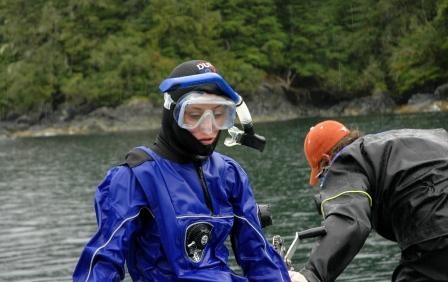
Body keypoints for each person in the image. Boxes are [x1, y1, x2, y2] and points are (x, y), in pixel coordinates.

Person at [73, 60, 291, 281]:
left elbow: (258, 256)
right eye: (195, 115)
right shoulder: (135, 178)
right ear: (172, 114)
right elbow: (103, 261)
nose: (209, 128)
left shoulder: (229, 174)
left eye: (218, 115)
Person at [289, 120, 448, 282]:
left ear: (325, 161)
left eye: (322, 176)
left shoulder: (346, 160)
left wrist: (311, 274)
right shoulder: (393, 143)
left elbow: (350, 221)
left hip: (437, 232)